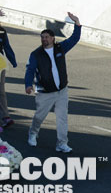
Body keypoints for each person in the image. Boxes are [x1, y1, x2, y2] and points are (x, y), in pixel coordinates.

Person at [25, 13, 82, 153]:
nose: (44, 39)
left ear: (52, 38)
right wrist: (28, 84)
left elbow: (74, 39)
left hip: (62, 91)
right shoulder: (36, 54)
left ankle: (62, 143)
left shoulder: (60, 48)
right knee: (39, 116)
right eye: (42, 37)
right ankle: (33, 133)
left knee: (62, 118)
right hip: (45, 92)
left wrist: (77, 23)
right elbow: (30, 70)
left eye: (46, 37)